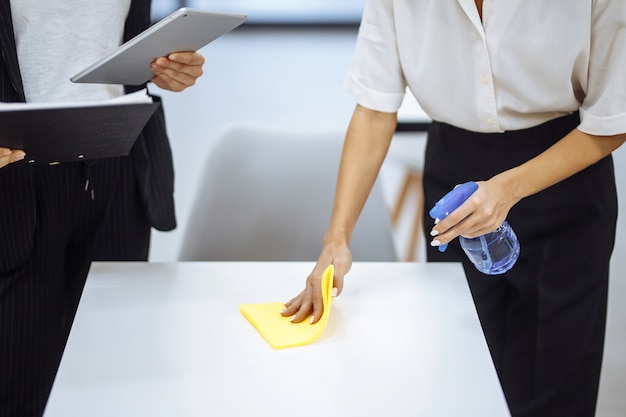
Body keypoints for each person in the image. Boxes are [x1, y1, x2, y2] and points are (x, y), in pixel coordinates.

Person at [282, 1, 626, 416]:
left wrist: (506, 189)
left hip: (562, 176)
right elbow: (375, 107)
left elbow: (612, 119)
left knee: (554, 393)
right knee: (462, 377)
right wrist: (335, 240)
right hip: (454, 176)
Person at [0, 1, 204, 415]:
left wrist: (168, 68)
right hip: (14, 178)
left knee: (115, 375)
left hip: (120, 161)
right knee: (17, 384)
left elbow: (119, 41)